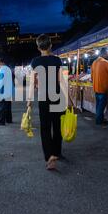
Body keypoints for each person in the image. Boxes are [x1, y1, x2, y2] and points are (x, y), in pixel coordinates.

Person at [28, 34, 64, 170]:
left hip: (44, 97)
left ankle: (49, 156)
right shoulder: (57, 60)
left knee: (45, 127)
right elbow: (62, 81)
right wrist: (71, 99)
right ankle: (57, 152)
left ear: (38, 47)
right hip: (57, 96)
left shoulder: (35, 62)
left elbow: (32, 83)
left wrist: (29, 100)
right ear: (51, 45)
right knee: (57, 126)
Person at [91, 48, 108, 125]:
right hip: (102, 87)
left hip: (96, 87)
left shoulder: (94, 62)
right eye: (107, 53)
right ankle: (99, 121)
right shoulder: (105, 62)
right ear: (104, 53)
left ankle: (99, 119)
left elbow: (92, 76)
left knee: (98, 105)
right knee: (101, 106)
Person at [0, 57, 13, 126]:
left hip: (3, 91)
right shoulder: (7, 69)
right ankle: (9, 120)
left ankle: (1, 121)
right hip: (8, 91)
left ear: (1, 62)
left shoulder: (2, 70)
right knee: (8, 106)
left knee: (1, 107)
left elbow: (1, 81)